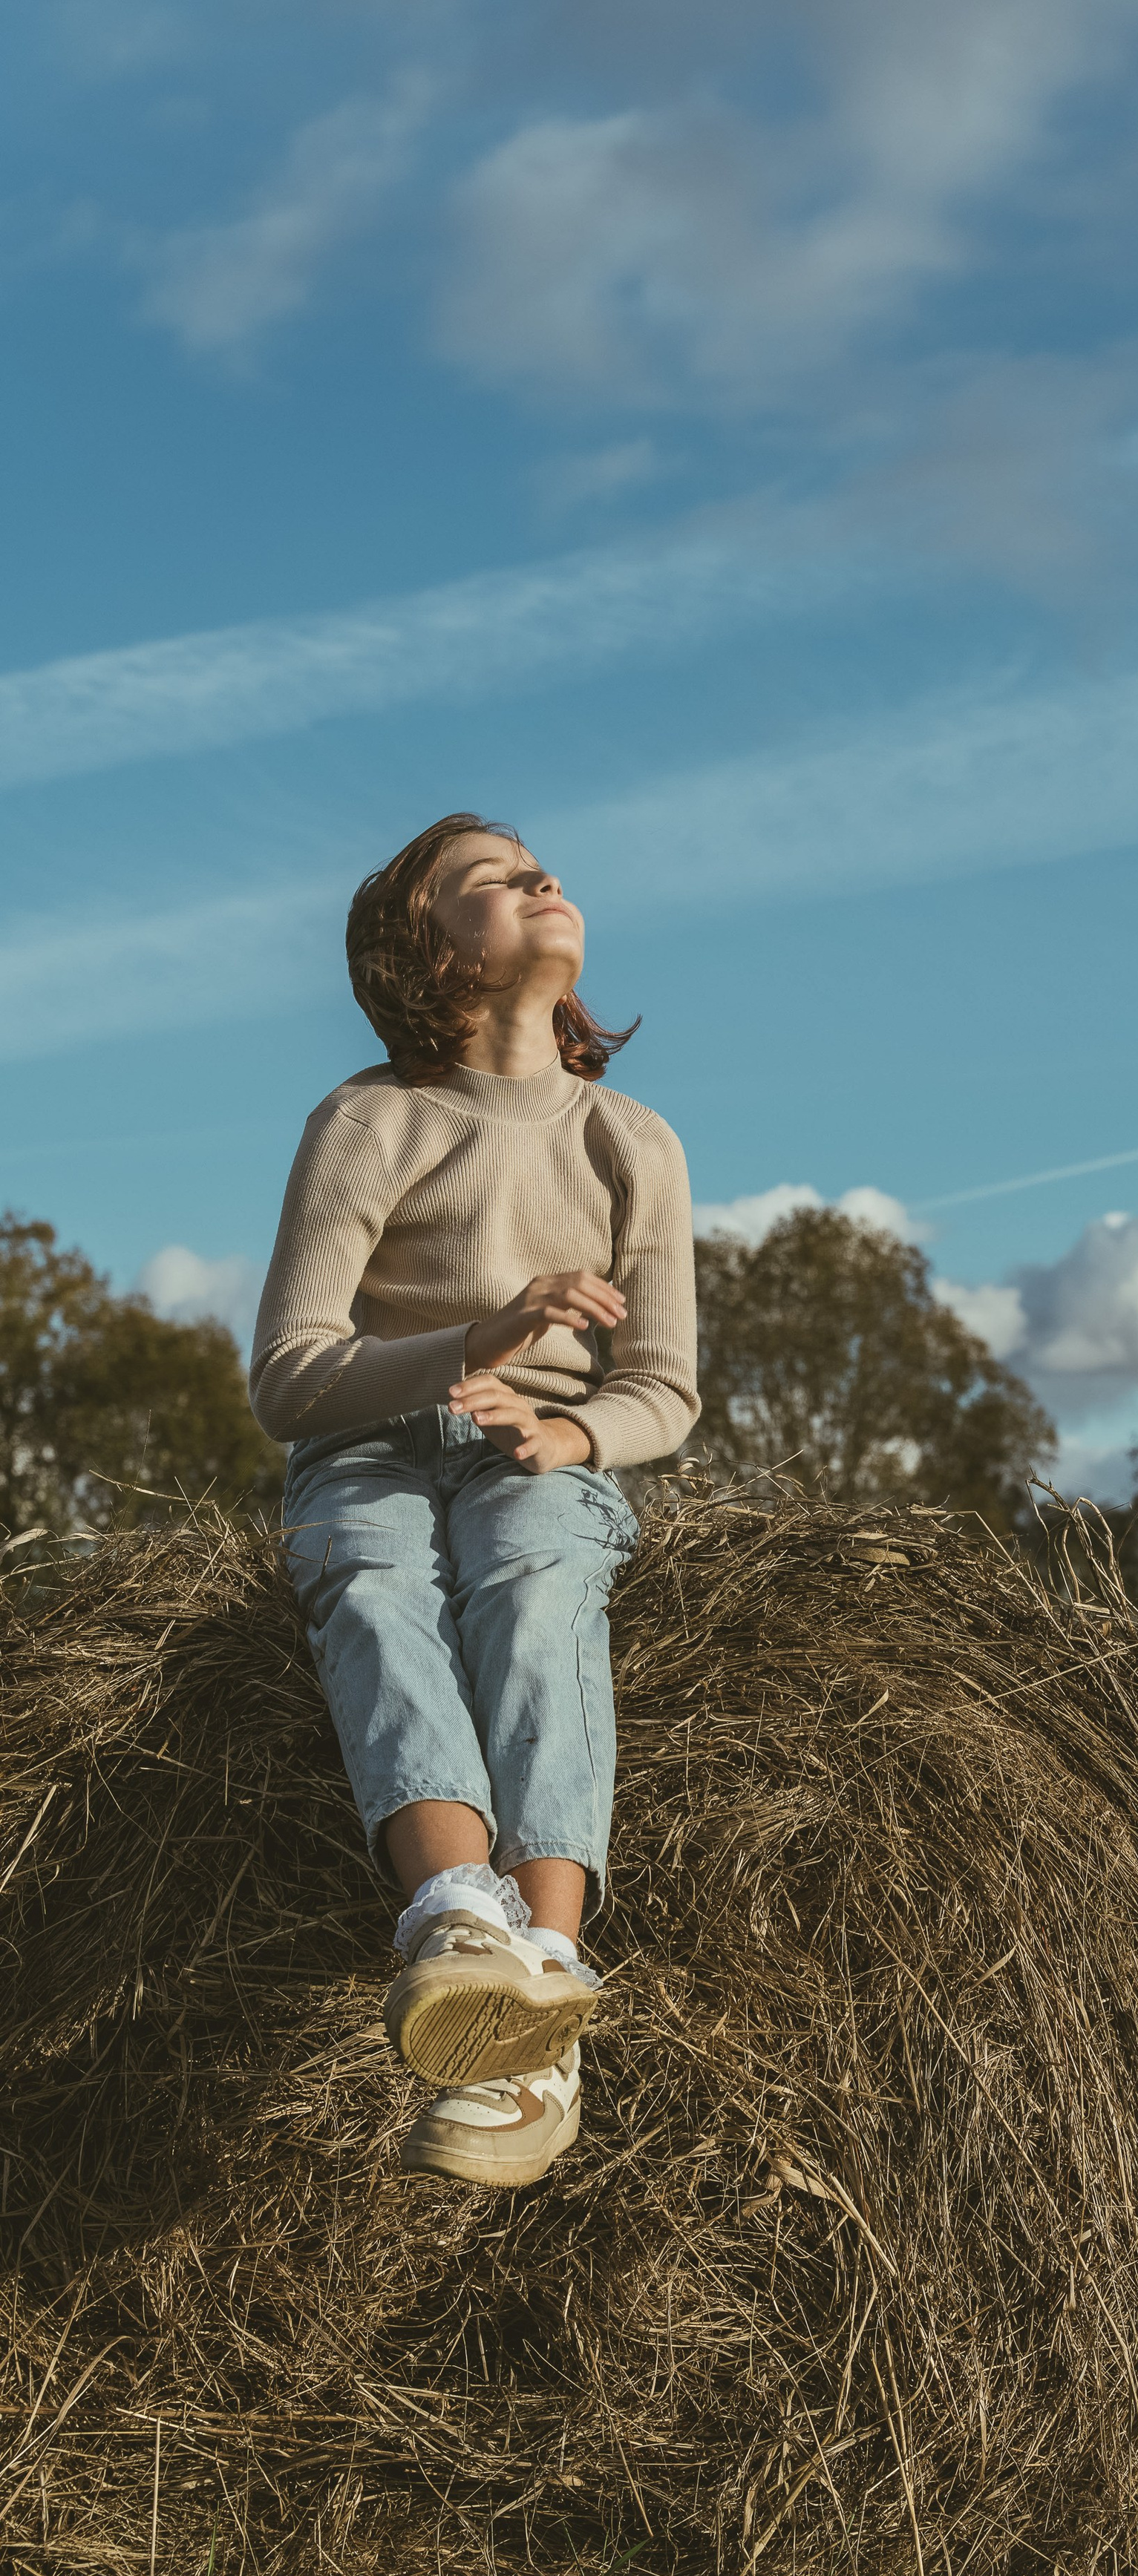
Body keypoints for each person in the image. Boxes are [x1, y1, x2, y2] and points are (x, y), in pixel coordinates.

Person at [250, 812, 699, 2187]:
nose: (538, 881)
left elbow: (665, 1392)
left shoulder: (633, 1140)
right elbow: (289, 1373)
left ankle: (547, 1982)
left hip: (537, 1457)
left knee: (534, 1586)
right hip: (375, 1442)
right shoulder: (372, 1119)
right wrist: (473, 1342)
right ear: (426, 953)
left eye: (538, 867)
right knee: (373, 1582)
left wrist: (567, 1436)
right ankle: (455, 1922)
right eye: (488, 882)